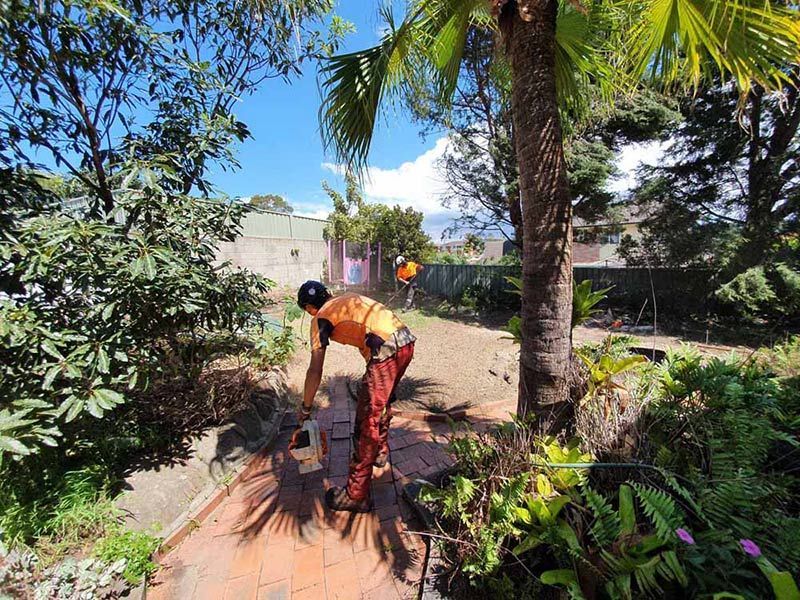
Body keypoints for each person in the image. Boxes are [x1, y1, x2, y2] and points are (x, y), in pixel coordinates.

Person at [296, 281, 415, 513]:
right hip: (405, 342)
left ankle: (356, 495)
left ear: (309, 306)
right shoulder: (343, 299)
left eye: (307, 309)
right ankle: (380, 453)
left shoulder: (320, 316)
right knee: (381, 403)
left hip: (386, 351)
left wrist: (306, 408)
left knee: (365, 423)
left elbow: (315, 370)